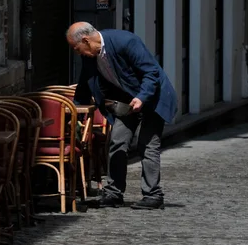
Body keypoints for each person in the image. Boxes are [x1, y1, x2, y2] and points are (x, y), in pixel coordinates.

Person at [66, 22, 178, 210]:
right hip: (126, 102)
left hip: (152, 98)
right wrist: (76, 110)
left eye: (77, 49)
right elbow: (85, 83)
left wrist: (142, 97)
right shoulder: (90, 55)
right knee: (117, 141)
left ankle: (153, 195)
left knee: (147, 144)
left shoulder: (126, 42)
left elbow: (151, 72)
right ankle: (113, 193)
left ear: (86, 40)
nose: (78, 53)